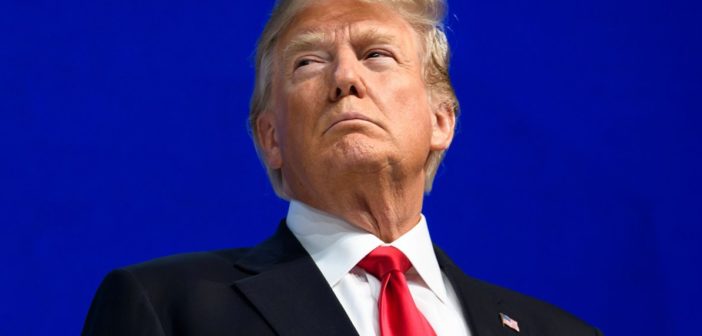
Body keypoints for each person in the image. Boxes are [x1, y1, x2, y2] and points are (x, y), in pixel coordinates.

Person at [83, 0, 602, 335]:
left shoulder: (559, 332)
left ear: (441, 119)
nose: (345, 78)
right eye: (308, 62)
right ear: (271, 140)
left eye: (376, 54)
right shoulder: (166, 309)